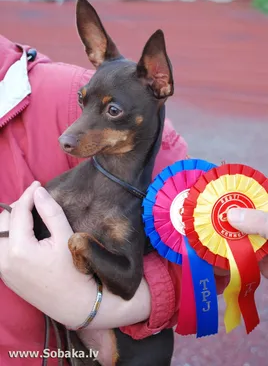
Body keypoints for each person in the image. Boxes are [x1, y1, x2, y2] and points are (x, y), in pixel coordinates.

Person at [0, 34, 230, 365]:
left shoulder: (63, 90)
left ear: (160, 80)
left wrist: (93, 307)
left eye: (112, 110)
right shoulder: (93, 88)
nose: (70, 135)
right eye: (86, 105)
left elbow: (206, 260)